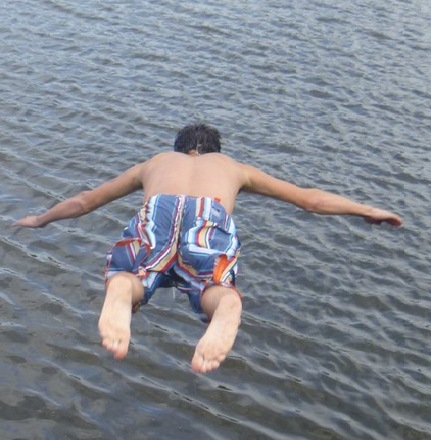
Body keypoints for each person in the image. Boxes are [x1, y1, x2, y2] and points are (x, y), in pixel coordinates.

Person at [14, 124, 403, 374]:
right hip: (209, 216)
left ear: (180, 148)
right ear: (215, 150)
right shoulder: (235, 168)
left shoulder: (155, 163)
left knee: (133, 274)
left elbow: (85, 201)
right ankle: (226, 306)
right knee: (214, 287)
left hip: (159, 209)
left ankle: (121, 290)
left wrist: (40, 219)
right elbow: (309, 200)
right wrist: (365, 210)